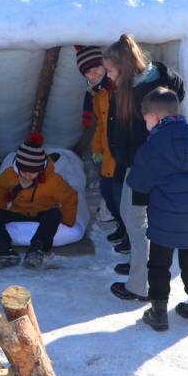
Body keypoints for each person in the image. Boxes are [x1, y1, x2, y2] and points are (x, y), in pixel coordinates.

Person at [103, 34, 185, 301]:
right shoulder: (145, 83)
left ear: (124, 68)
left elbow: (176, 92)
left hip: (144, 169)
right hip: (139, 166)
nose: (108, 76)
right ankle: (141, 266)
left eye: (111, 71)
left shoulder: (143, 92)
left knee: (136, 221)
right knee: (135, 218)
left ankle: (140, 285)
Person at [127, 88, 188, 331]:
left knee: (159, 265)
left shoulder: (154, 143)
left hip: (165, 217)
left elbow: (139, 182)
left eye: (145, 120)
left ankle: (158, 312)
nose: (145, 124)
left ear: (154, 116)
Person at [0, 132, 78, 270]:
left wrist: (68, 222)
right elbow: (0, 188)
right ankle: (3, 248)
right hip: (18, 212)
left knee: (54, 214)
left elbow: (70, 197)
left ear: (40, 170)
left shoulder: (53, 181)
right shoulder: (10, 175)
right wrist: (1, 208)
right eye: (24, 171)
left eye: (32, 172)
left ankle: (37, 248)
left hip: (42, 213)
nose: (27, 175)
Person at [74, 46, 127, 255]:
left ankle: (130, 237)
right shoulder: (97, 95)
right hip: (106, 154)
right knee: (109, 194)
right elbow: (100, 126)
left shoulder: (118, 90)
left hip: (121, 155)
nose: (93, 74)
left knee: (122, 197)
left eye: (97, 68)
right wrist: (96, 148)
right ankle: (122, 229)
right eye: (88, 72)